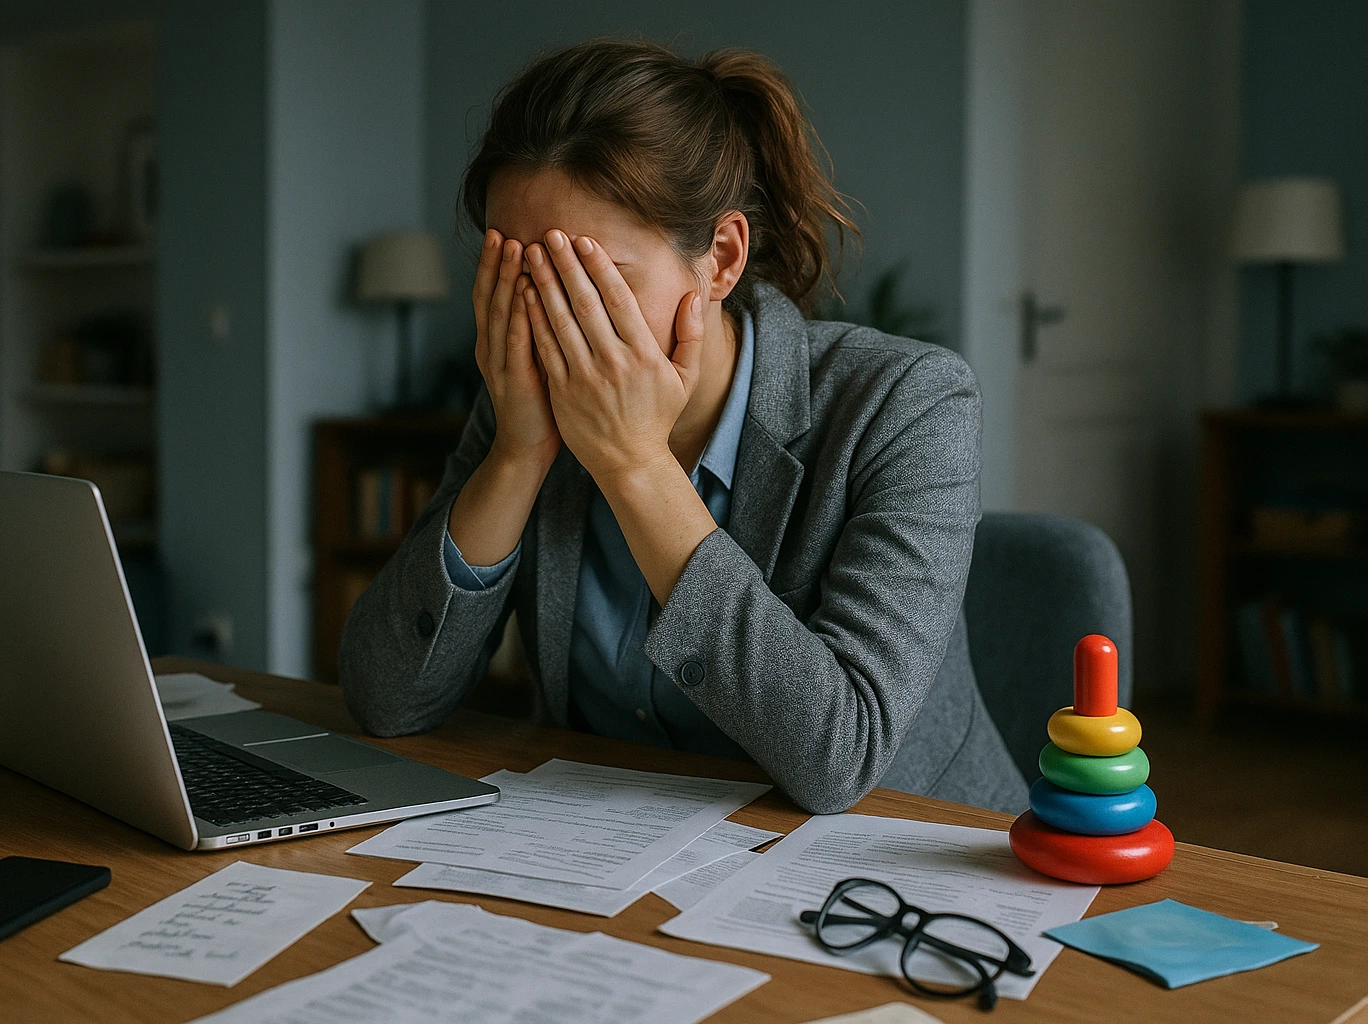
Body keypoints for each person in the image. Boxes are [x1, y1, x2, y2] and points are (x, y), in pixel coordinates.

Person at [340, 39, 1027, 815]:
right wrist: (516, 455)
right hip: (625, 852)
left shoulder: (908, 403)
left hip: (905, 860)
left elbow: (842, 756)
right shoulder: (526, 405)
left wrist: (637, 468)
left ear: (722, 261)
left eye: (591, 278)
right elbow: (386, 701)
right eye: (519, 276)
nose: (551, 321)